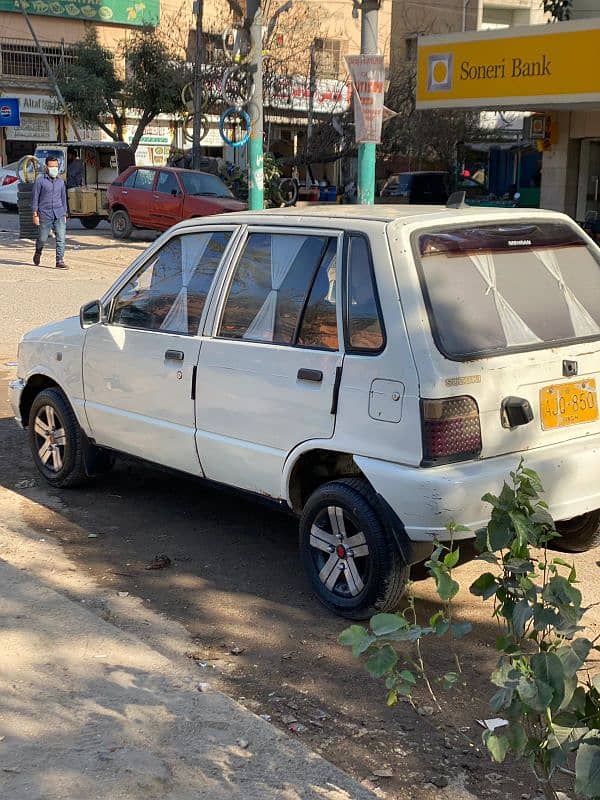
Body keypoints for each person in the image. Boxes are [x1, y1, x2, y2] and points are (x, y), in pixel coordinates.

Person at [32, 156, 68, 269]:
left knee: (61, 238)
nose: (54, 169)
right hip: (44, 214)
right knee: (42, 238)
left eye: (56, 167)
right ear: (46, 167)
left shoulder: (61, 182)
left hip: (59, 213)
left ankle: (59, 260)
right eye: (52, 166)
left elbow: (63, 199)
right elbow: (35, 198)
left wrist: (65, 213)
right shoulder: (40, 181)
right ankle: (38, 252)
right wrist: (35, 214)